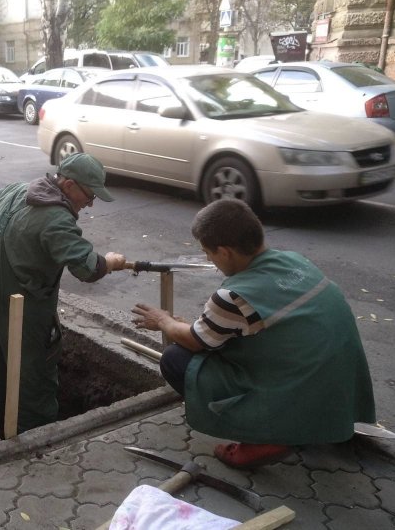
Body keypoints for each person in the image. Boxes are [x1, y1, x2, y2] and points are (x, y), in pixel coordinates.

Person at [132, 199, 376, 469]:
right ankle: (313, 423)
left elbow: (194, 341)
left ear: (224, 252)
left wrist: (164, 321)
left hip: (296, 388)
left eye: (208, 253)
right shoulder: (296, 261)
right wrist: (192, 327)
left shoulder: (233, 296)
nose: (209, 261)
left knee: (175, 359)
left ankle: (264, 438)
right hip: (338, 391)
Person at [0, 153, 126, 434]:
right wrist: (111, 261)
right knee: (34, 376)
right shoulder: (56, 219)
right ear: (68, 185)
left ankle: (4, 424)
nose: (89, 204)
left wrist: (5, 244)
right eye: (89, 196)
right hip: (28, 310)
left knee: (3, 365)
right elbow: (88, 269)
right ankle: (36, 438)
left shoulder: (15, 190)